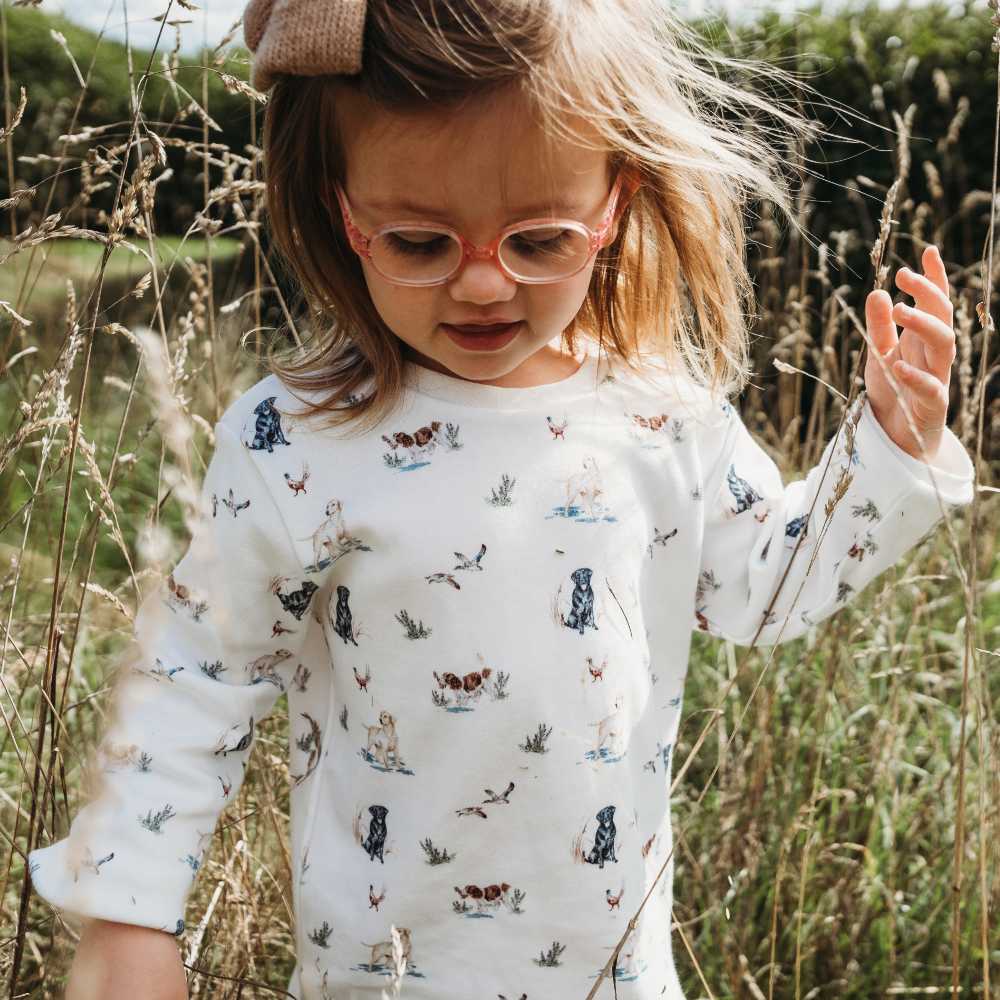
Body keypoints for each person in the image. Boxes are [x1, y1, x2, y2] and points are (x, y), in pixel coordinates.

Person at [29, 1, 976, 998]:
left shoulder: (659, 418)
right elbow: (194, 675)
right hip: (375, 980)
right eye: (420, 244)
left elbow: (768, 589)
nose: (482, 285)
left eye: (537, 240)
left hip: (618, 980)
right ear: (340, 209)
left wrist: (886, 449)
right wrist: (127, 910)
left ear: (615, 203)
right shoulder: (295, 440)